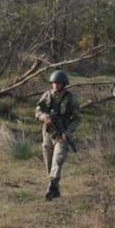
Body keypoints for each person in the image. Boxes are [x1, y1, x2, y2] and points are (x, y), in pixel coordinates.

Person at [35, 70, 80, 200]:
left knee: (58, 160)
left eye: (58, 83)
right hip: (48, 132)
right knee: (48, 161)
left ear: (64, 84)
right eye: (54, 82)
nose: (55, 85)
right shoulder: (47, 96)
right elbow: (37, 111)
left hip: (62, 133)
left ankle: (51, 186)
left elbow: (77, 118)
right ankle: (55, 188)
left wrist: (68, 131)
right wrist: (44, 117)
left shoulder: (71, 98)